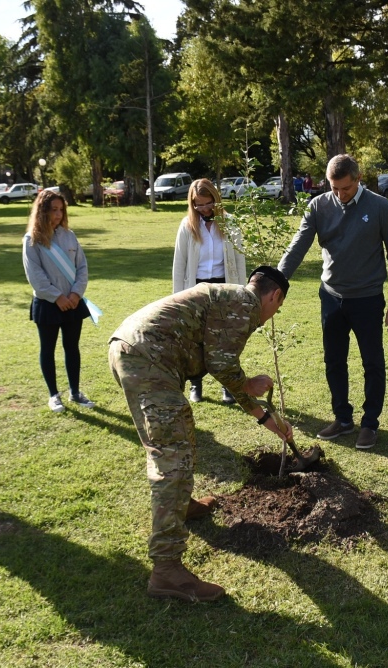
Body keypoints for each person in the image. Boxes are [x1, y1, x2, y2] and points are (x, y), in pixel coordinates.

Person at [108, 267, 293, 602]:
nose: (269, 317)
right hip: (148, 358)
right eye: (276, 309)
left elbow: (220, 365)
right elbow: (223, 365)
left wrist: (265, 417)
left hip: (140, 351)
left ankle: (183, 506)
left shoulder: (230, 298)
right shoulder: (246, 304)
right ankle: (167, 570)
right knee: (172, 457)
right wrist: (249, 384)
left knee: (182, 435)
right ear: (274, 296)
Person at [277, 153, 388, 451]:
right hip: (331, 297)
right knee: (334, 361)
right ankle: (342, 418)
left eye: (345, 188)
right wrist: (277, 281)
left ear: (358, 179)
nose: (339, 194)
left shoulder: (381, 208)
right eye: (333, 188)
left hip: (368, 299)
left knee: (372, 363)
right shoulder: (319, 206)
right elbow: (298, 246)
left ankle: (370, 424)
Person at [172, 178, 247, 404]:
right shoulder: (187, 226)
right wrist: (177, 299)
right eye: (198, 204)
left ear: (216, 199)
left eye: (207, 203)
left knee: (224, 339)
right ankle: (196, 383)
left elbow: (239, 259)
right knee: (197, 339)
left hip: (224, 286)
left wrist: (242, 292)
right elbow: (179, 264)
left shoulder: (230, 223)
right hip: (196, 288)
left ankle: (227, 385)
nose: (204, 208)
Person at [23, 189, 96, 413]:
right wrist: (57, 297)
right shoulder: (31, 240)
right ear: (42, 211)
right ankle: (54, 395)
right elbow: (35, 275)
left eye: (61, 210)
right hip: (48, 304)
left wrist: (75, 294)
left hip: (73, 302)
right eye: (53, 210)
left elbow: (82, 267)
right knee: (48, 349)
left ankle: (75, 392)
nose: (58, 214)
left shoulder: (69, 235)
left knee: (72, 348)